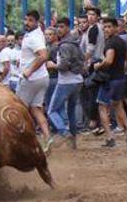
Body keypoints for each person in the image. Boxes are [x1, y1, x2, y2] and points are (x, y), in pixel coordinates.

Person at [17, 10, 53, 151]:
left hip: (31, 79)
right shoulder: (37, 33)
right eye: (26, 19)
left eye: (30, 20)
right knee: (36, 109)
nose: (27, 22)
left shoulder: (33, 37)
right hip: (42, 78)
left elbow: (43, 56)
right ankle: (47, 138)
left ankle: (22, 143)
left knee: (19, 111)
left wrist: (29, 70)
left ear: (37, 22)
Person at [94, 18, 127, 147]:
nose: (106, 29)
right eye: (105, 27)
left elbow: (109, 60)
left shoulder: (110, 43)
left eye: (109, 26)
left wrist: (98, 66)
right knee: (118, 105)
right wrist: (122, 71)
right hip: (120, 79)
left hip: (109, 80)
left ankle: (110, 137)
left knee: (102, 106)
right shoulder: (122, 42)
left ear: (116, 28)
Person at [46, 17, 84, 148]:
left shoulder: (65, 45)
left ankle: (64, 132)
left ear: (68, 27)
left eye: (62, 27)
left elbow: (64, 66)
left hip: (66, 81)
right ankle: (73, 140)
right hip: (77, 80)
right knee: (71, 110)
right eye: (58, 27)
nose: (59, 30)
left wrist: (52, 65)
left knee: (51, 111)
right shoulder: (74, 43)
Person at [80, 7, 104, 133]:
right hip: (99, 62)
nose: (90, 17)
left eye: (93, 14)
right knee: (96, 94)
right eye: (88, 14)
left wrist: (83, 62)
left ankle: (93, 122)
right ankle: (97, 122)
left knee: (92, 94)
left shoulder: (94, 29)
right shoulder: (97, 28)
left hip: (95, 63)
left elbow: (90, 49)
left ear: (98, 16)